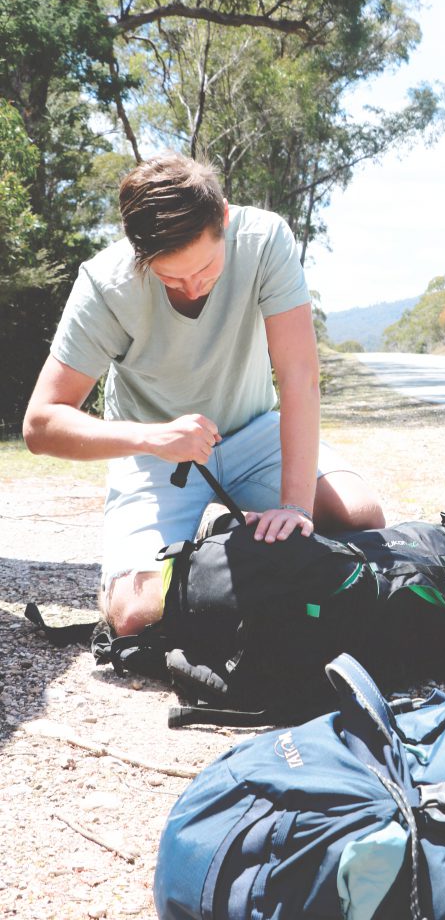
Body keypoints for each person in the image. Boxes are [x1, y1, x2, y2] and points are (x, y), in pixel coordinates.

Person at [23, 153, 385, 637]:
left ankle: (232, 534)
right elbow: (41, 424)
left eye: (206, 269)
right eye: (171, 277)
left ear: (225, 221)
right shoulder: (104, 285)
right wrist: (153, 438)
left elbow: (299, 375)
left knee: (360, 516)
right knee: (135, 616)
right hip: (158, 457)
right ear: (139, 254)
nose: (193, 289)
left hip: (254, 431)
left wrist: (295, 508)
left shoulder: (264, 239)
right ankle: (221, 546)